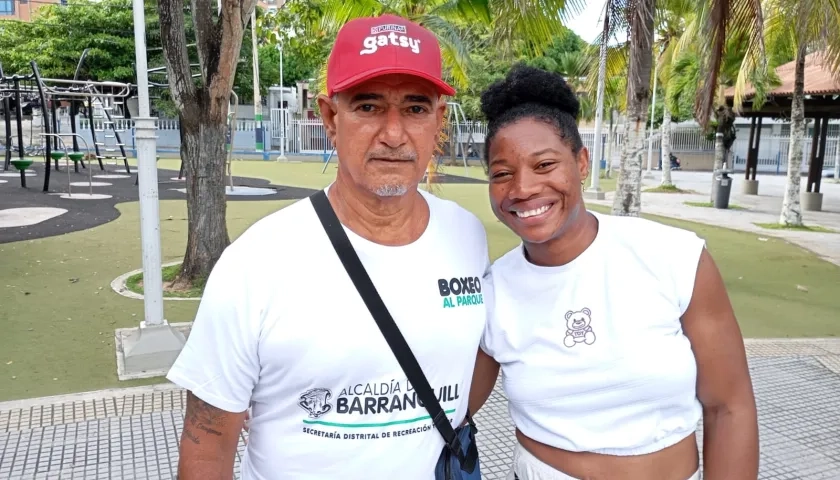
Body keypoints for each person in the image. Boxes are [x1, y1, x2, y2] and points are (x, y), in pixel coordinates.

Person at [166, 14, 491, 479]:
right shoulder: (258, 261)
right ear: (330, 117)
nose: (394, 134)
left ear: (438, 121)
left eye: (416, 109)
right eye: (369, 106)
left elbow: (480, 359)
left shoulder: (466, 235)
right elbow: (206, 448)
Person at [468, 64, 759, 480]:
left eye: (545, 165)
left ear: (581, 162)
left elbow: (729, 407)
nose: (523, 188)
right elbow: (450, 408)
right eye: (501, 174)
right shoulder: (494, 291)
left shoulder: (673, 257)